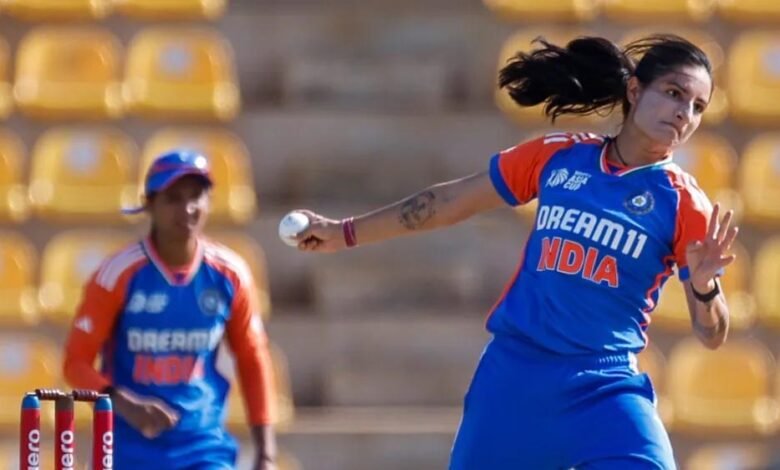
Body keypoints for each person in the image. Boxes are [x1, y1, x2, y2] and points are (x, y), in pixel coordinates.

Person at [287, 34, 738, 469]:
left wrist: (704, 288)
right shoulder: (560, 156)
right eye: (674, 93)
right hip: (515, 376)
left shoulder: (684, 203)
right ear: (635, 90)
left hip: (604, 387)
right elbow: (449, 202)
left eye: (698, 106)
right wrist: (344, 232)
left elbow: (712, 334)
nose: (684, 113)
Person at [62, 150, 278, 470]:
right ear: (150, 204)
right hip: (127, 448)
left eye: (196, 196)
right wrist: (125, 404)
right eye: (173, 198)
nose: (187, 208)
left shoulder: (230, 273)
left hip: (204, 446)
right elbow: (75, 364)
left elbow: (252, 359)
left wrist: (266, 454)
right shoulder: (118, 273)